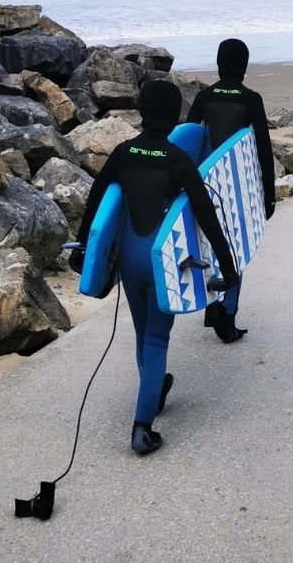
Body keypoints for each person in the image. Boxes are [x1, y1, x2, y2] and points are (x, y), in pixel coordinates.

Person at [71, 79, 239, 456]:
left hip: (130, 258)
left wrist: (83, 249)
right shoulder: (178, 160)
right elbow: (207, 217)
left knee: (142, 331)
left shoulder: (123, 152)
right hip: (161, 258)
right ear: (176, 114)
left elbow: (96, 203)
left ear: (142, 111)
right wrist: (228, 270)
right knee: (157, 338)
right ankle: (142, 428)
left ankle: (155, 388)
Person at [186, 37, 277, 343]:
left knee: (209, 246)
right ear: (245, 66)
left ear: (218, 63)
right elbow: (263, 151)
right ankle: (228, 315)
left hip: (205, 185)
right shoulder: (251, 99)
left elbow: (188, 140)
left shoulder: (205, 97)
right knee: (236, 250)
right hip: (237, 187)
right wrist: (269, 194)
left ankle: (212, 306)